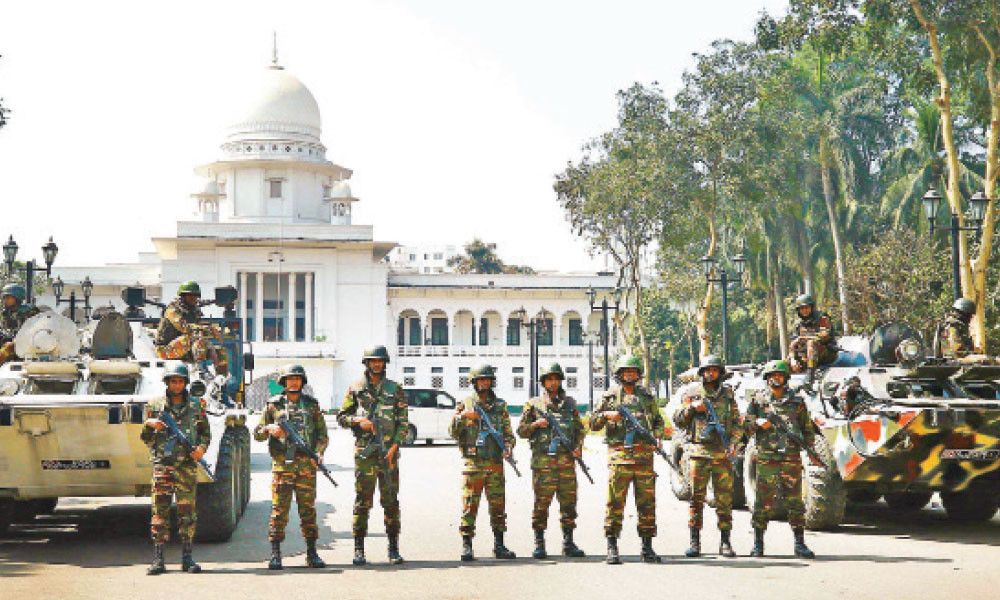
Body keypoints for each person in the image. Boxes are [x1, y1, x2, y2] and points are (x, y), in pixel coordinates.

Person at [336, 345, 408, 565]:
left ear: (385, 363)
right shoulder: (356, 388)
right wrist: (359, 422)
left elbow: (403, 423)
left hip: (388, 455)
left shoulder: (395, 389)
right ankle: (359, 549)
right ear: (366, 363)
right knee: (362, 502)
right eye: (373, 361)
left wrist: (395, 447)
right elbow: (342, 417)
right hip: (365, 455)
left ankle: (393, 549)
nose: (377, 364)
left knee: (390, 502)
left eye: (380, 361)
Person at [590, 354, 665, 564]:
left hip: (644, 459)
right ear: (620, 374)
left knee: (647, 504)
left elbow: (658, 421)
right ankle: (612, 547)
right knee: (615, 504)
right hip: (620, 458)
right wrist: (606, 415)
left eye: (633, 371)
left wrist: (657, 437)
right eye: (626, 371)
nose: (629, 375)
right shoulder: (609, 397)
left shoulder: (647, 397)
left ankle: (647, 547)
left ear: (638, 374)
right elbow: (593, 423)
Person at [254, 364, 328, 570]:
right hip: (282, 466)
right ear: (283, 382)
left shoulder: (312, 406)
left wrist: (319, 453)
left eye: (297, 378)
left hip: (306, 465)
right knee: (279, 511)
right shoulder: (273, 405)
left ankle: (312, 553)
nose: (293, 382)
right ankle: (275, 554)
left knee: (308, 510)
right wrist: (270, 429)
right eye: (289, 379)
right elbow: (257, 433)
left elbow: (322, 435)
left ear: (302, 381)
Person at [744, 360, 819, 559]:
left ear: (786, 378)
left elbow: (807, 429)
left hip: (791, 459)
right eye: (772, 376)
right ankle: (758, 544)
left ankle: (800, 543)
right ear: (767, 378)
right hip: (767, 458)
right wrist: (757, 422)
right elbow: (745, 425)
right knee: (762, 502)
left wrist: (809, 449)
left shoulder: (797, 402)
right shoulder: (758, 401)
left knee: (795, 502)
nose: (776, 379)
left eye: (780, 375)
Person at [140, 362, 210, 575]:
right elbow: (145, 438)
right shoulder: (155, 406)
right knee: (159, 512)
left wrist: (201, 449)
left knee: (187, 513)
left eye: (180, 381)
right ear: (167, 383)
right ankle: (158, 558)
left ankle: (187, 558)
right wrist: (150, 425)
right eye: (173, 381)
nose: (177, 385)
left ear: (185, 383)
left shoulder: (197, 407)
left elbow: (206, 434)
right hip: (163, 466)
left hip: (186, 468)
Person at [673, 354, 740, 558]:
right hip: (698, 453)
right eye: (707, 370)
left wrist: (735, 443)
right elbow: (678, 420)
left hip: (722, 453)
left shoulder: (728, 394)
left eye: (714, 370)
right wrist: (692, 409)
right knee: (696, 499)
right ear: (702, 373)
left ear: (720, 372)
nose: (710, 374)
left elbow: (737, 422)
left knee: (724, 500)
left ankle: (725, 542)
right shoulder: (692, 392)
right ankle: (695, 542)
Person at [517, 362, 586, 559]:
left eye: (556, 379)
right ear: (543, 382)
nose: (553, 383)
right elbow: (521, 431)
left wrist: (578, 447)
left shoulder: (569, 403)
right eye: (549, 379)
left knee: (569, 504)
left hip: (566, 464)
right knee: (541, 505)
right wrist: (536, 425)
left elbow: (580, 429)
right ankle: (539, 543)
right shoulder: (534, 404)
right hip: (543, 464)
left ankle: (568, 542)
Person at [449, 363, 517, 562]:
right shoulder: (466, 403)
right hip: (474, 463)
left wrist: (509, 447)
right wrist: (462, 417)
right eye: (480, 380)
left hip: (495, 463)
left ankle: (499, 545)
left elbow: (508, 433)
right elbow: (452, 432)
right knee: (470, 505)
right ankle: (467, 545)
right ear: (474, 382)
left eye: (487, 379)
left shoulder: (500, 405)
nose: (484, 383)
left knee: (498, 506)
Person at [154, 281, 228, 374]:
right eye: (189, 295)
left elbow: (197, 330)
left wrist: (212, 342)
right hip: (165, 350)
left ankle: (221, 378)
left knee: (219, 350)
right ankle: (201, 371)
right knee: (197, 336)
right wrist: (208, 329)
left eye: (195, 295)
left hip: (184, 348)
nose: (193, 298)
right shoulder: (172, 309)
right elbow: (183, 327)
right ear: (183, 296)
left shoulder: (194, 311)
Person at [787, 293, 838, 382]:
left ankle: (810, 377)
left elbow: (824, 335)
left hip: (825, 353)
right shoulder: (798, 324)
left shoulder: (822, 318)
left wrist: (805, 338)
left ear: (811, 307)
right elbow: (793, 344)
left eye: (807, 307)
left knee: (811, 343)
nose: (805, 311)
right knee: (782, 365)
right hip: (806, 356)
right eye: (802, 308)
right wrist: (792, 359)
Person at [0, 283, 40, 365]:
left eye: (8, 298)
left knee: (8, 348)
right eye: (4, 298)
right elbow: (6, 329)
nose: (5, 300)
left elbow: (35, 331)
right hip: (11, 341)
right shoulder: (7, 313)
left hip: (27, 344)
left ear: (17, 298)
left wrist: (15, 340)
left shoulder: (29, 311)